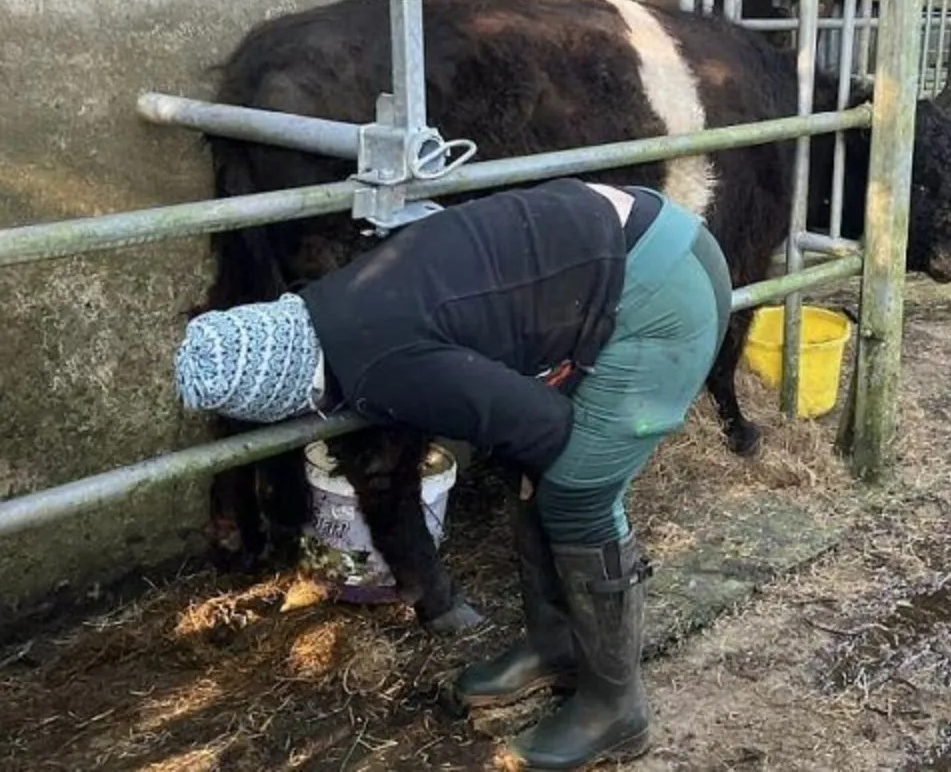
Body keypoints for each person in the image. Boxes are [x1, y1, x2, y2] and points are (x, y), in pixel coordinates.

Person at [172, 176, 732, 771]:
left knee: (574, 491)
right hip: (627, 239)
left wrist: (542, 438)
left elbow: (545, 425)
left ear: (289, 401)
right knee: (538, 469)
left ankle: (615, 708)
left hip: (665, 290)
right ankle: (557, 646)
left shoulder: (379, 367)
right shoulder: (335, 298)